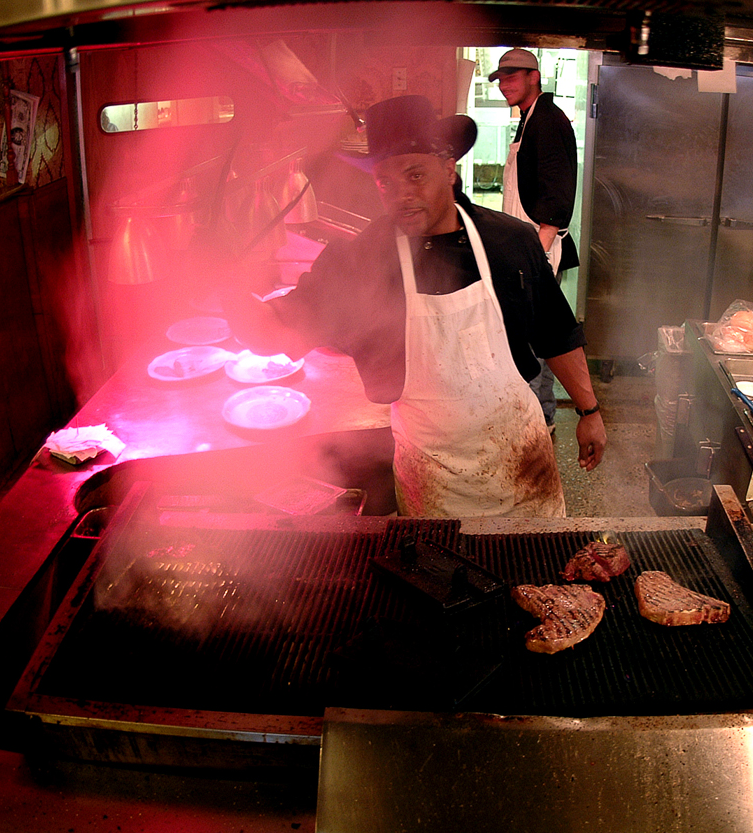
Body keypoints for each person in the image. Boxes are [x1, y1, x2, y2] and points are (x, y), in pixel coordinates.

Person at [226, 94, 606, 518]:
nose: (401, 195)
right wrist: (222, 289)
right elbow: (277, 330)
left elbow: (556, 330)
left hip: (522, 466)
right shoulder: (362, 261)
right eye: (386, 182)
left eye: (415, 175)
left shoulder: (510, 242)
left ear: (448, 170)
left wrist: (589, 410)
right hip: (434, 480)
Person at [489, 48, 580, 435]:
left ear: (534, 76)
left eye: (513, 77)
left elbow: (557, 204)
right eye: (501, 79)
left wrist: (532, 258)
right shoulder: (529, 118)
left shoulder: (548, 121)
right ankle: (539, 420)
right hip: (529, 249)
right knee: (536, 343)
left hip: (539, 250)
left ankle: (536, 423)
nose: (505, 85)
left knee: (533, 345)